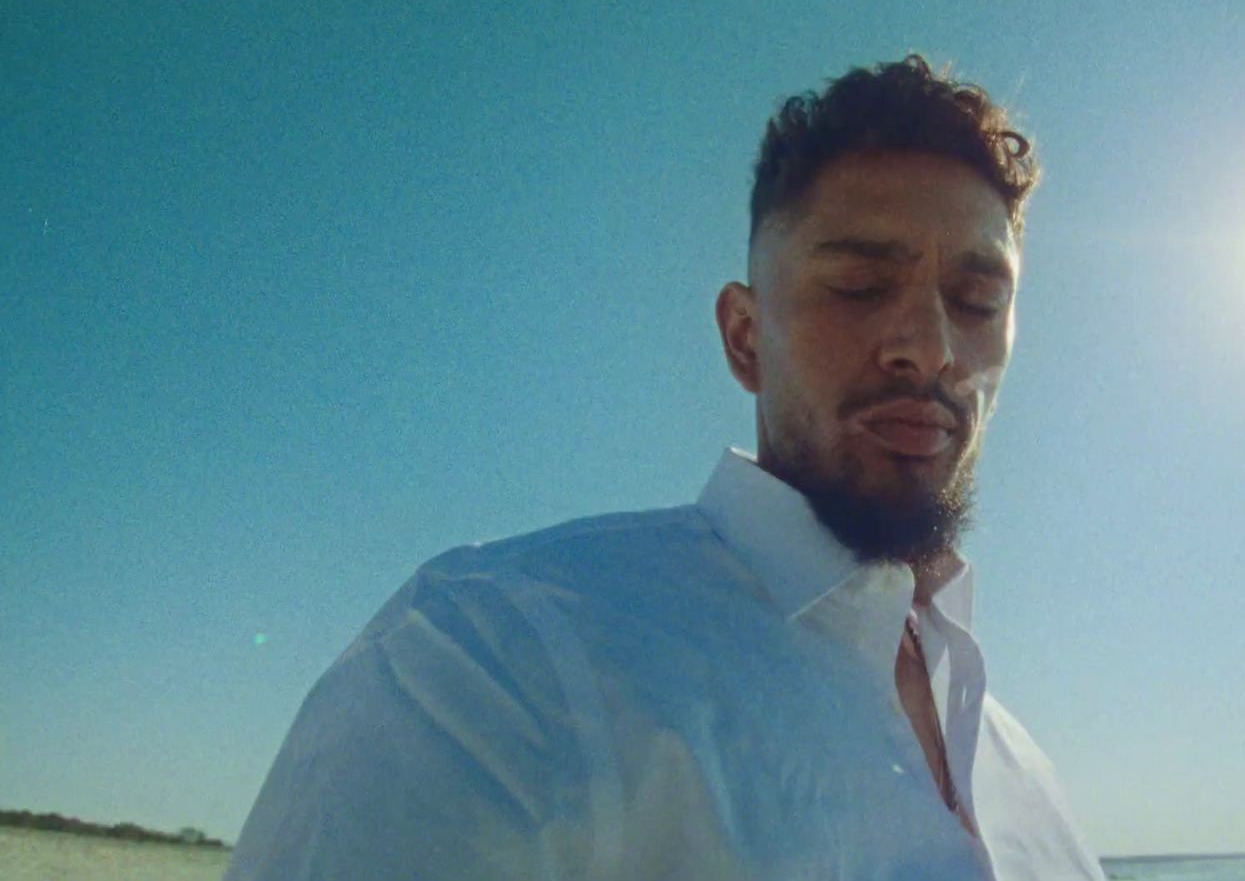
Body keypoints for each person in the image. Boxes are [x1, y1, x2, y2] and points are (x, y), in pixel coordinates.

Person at [225, 55, 1105, 881]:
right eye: (861, 288)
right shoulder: (494, 661)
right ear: (744, 335)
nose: (932, 348)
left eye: (978, 301)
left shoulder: (1023, 769)